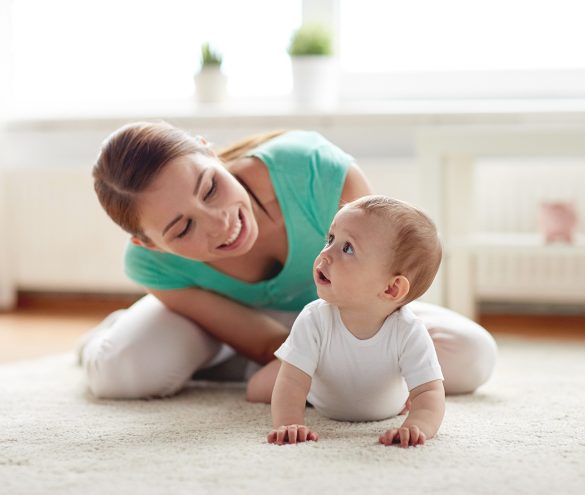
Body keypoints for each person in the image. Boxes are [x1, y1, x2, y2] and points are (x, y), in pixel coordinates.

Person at [82, 122, 497, 400]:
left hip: (347, 311)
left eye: (210, 188)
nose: (219, 222)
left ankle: (233, 367)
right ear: (149, 243)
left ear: (211, 153)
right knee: (120, 373)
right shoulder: (150, 264)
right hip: (227, 325)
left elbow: (380, 287)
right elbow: (263, 342)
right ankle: (116, 334)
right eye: (182, 228)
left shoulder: (317, 171)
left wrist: (326, 365)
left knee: (471, 355)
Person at [256, 195, 444, 447]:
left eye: (347, 248)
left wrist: (416, 425)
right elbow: (291, 381)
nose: (325, 254)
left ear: (391, 289)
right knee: (257, 389)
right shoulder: (314, 318)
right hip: (321, 400)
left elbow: (429, 393)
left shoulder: (408, 331)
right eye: (330, 239)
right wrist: (289, 422)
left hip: (388, 408)